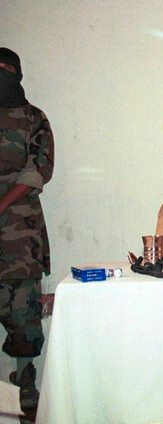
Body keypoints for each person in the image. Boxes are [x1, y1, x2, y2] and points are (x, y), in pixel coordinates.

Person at [0, 47, 53, 410]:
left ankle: (25, 388)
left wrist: (3, 203)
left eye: (6, 69)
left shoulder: (34, 118)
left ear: (17, 75)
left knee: (24, 320)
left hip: (19, 236)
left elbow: (39, 169)